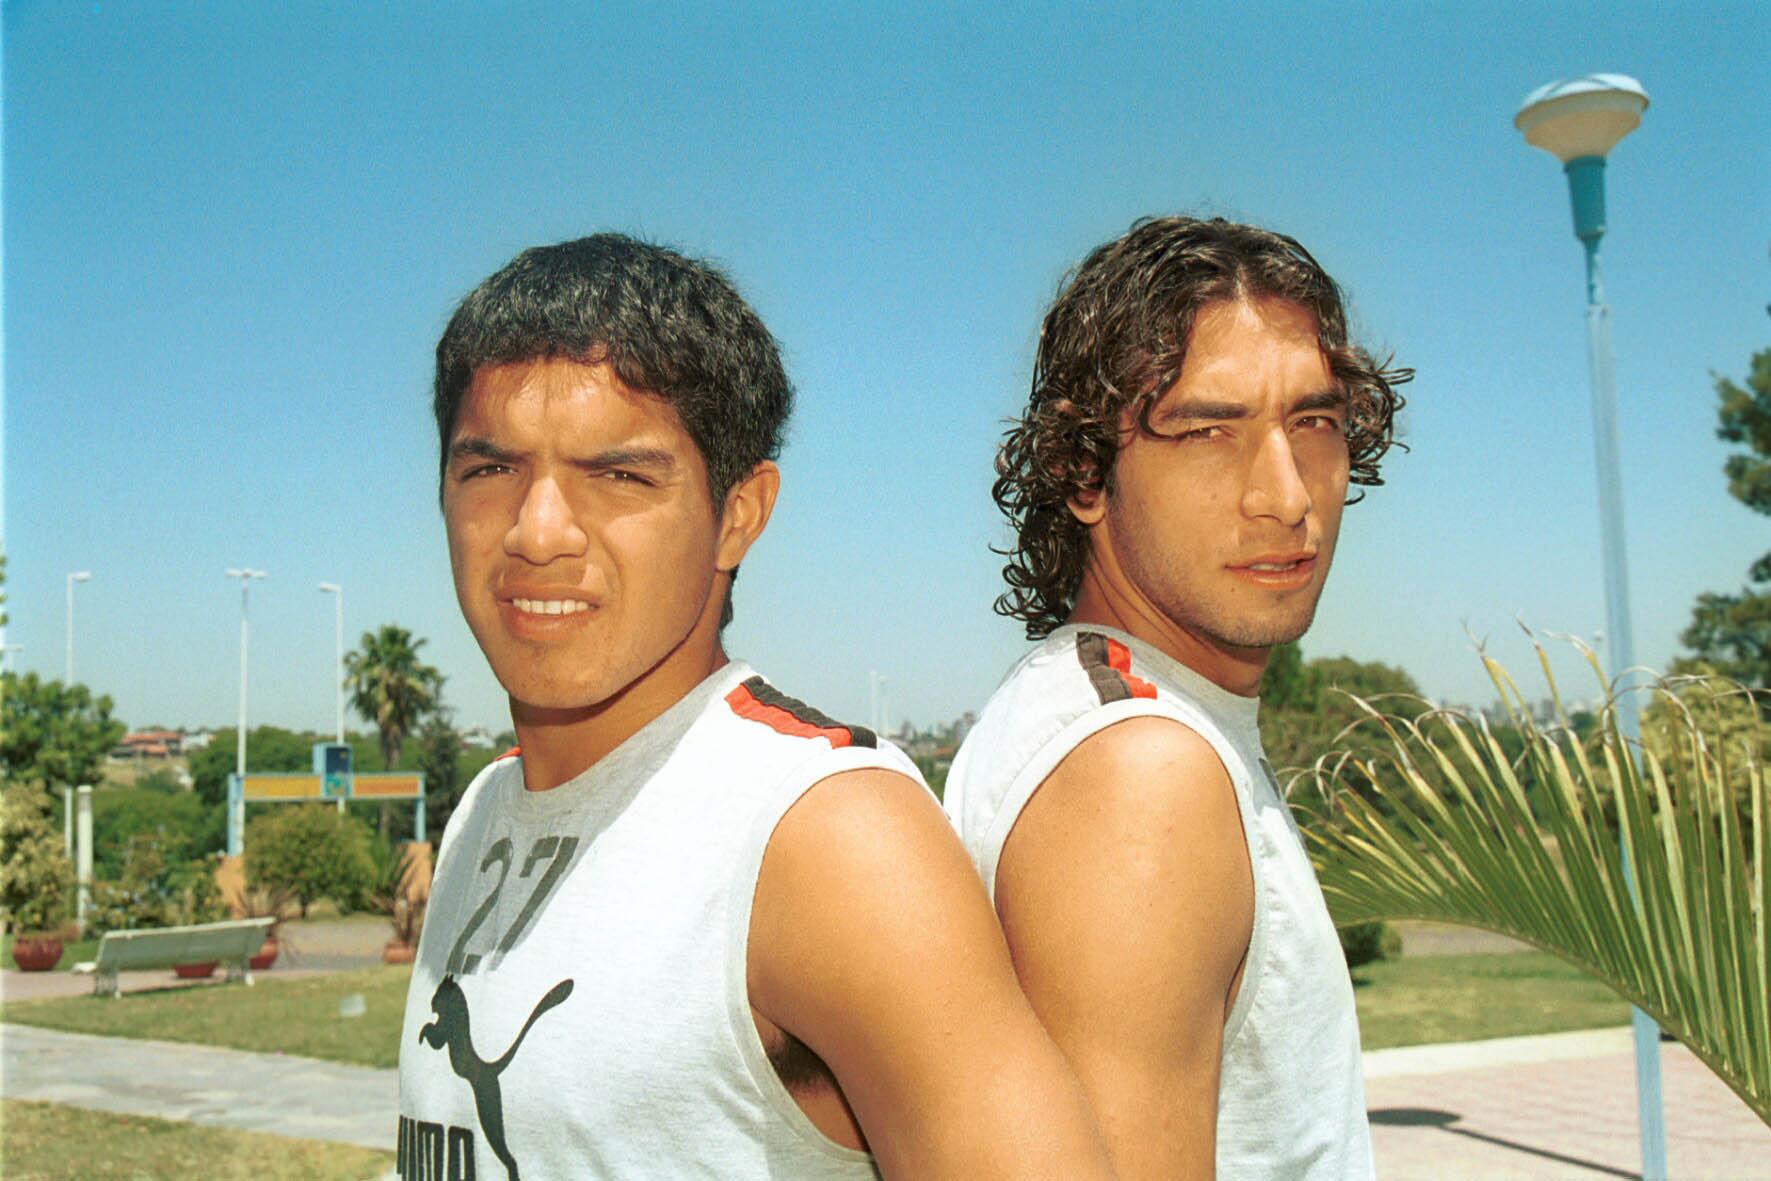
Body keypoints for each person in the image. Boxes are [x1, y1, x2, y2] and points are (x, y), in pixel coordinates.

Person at [395, 233, 1112, 1181]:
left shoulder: (822, 834)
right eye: (489, 470)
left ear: (739, 512)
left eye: (619, 475)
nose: (538, 531)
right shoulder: (484, 813)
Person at [944, 216, 1410, 1179]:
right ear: (1082, 473)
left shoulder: (1128, 716)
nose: (1285, 494)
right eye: (1208, 430)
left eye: (1313, 423)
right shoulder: (1136, 771)